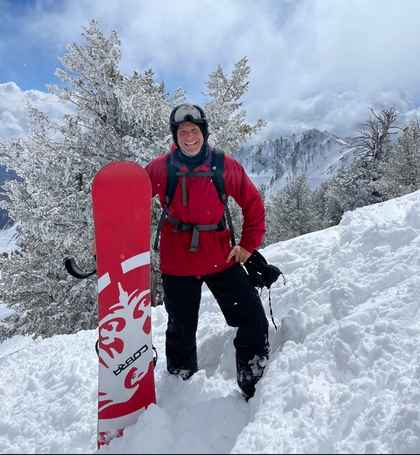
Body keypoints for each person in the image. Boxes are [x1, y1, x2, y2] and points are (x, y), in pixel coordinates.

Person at [145, 103, 269, 399]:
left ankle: (253, 379)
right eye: (183, 132)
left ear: (204, 133)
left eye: (194, 131)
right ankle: (180, 389)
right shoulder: (159, 168)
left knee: (252, 317)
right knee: (181, 331)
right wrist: (106, 238)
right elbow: (128, 200)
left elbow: (253, 204)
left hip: (220, 259)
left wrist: (248, 245)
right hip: (177, 265)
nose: (189, 137)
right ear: (175, 136)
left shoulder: (224, 166)